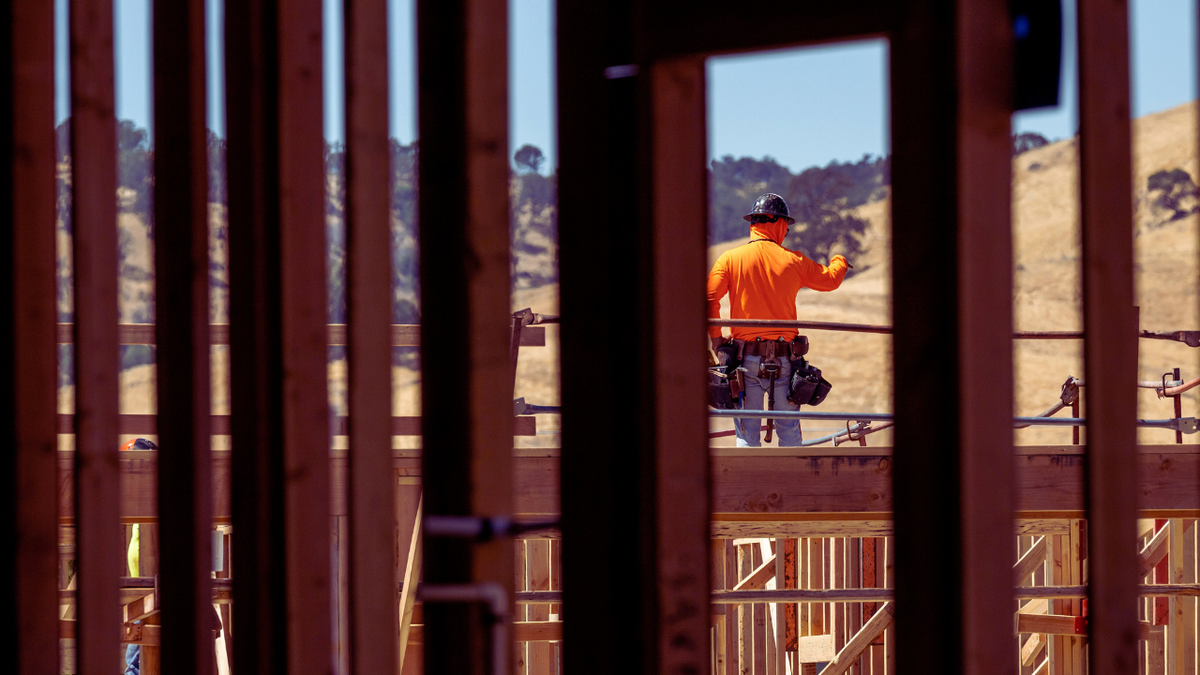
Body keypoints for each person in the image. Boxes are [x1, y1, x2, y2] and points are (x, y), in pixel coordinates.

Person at [706, 193, 850, 447]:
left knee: (747, 437)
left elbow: (708, 300)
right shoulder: (793, 261)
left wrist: (717, 342)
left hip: (744, 362)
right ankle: (791, 486)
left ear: (754, 223)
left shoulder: (729, 259)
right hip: (785, 360)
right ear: (778, 223)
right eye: (786, 227)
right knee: (790, 434)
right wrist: (839, 260)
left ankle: (749, 487)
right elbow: (831, 280)